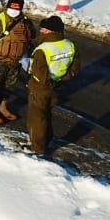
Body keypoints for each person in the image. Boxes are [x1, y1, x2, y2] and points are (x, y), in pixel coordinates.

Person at [25, 14, 80, 157]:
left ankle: (37, 148)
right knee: (47, 116)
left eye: (44, 29)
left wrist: (30, 72)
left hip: (40, 89)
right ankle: (46, 140)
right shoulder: (70, 45)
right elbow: (75, 68)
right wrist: (61, 80)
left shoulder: (42, 50)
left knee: (37, 119)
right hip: (58, 86)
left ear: (50, 31)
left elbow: (39, 74)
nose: (41, 31)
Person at [0, 0, 36, 126]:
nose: (14, 10)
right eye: (12, 7)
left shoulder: (26, 22)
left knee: (8, 87)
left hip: (15, 61)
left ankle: (2, 107)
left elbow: (31, 39)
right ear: (8, 6)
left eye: (17, 8)